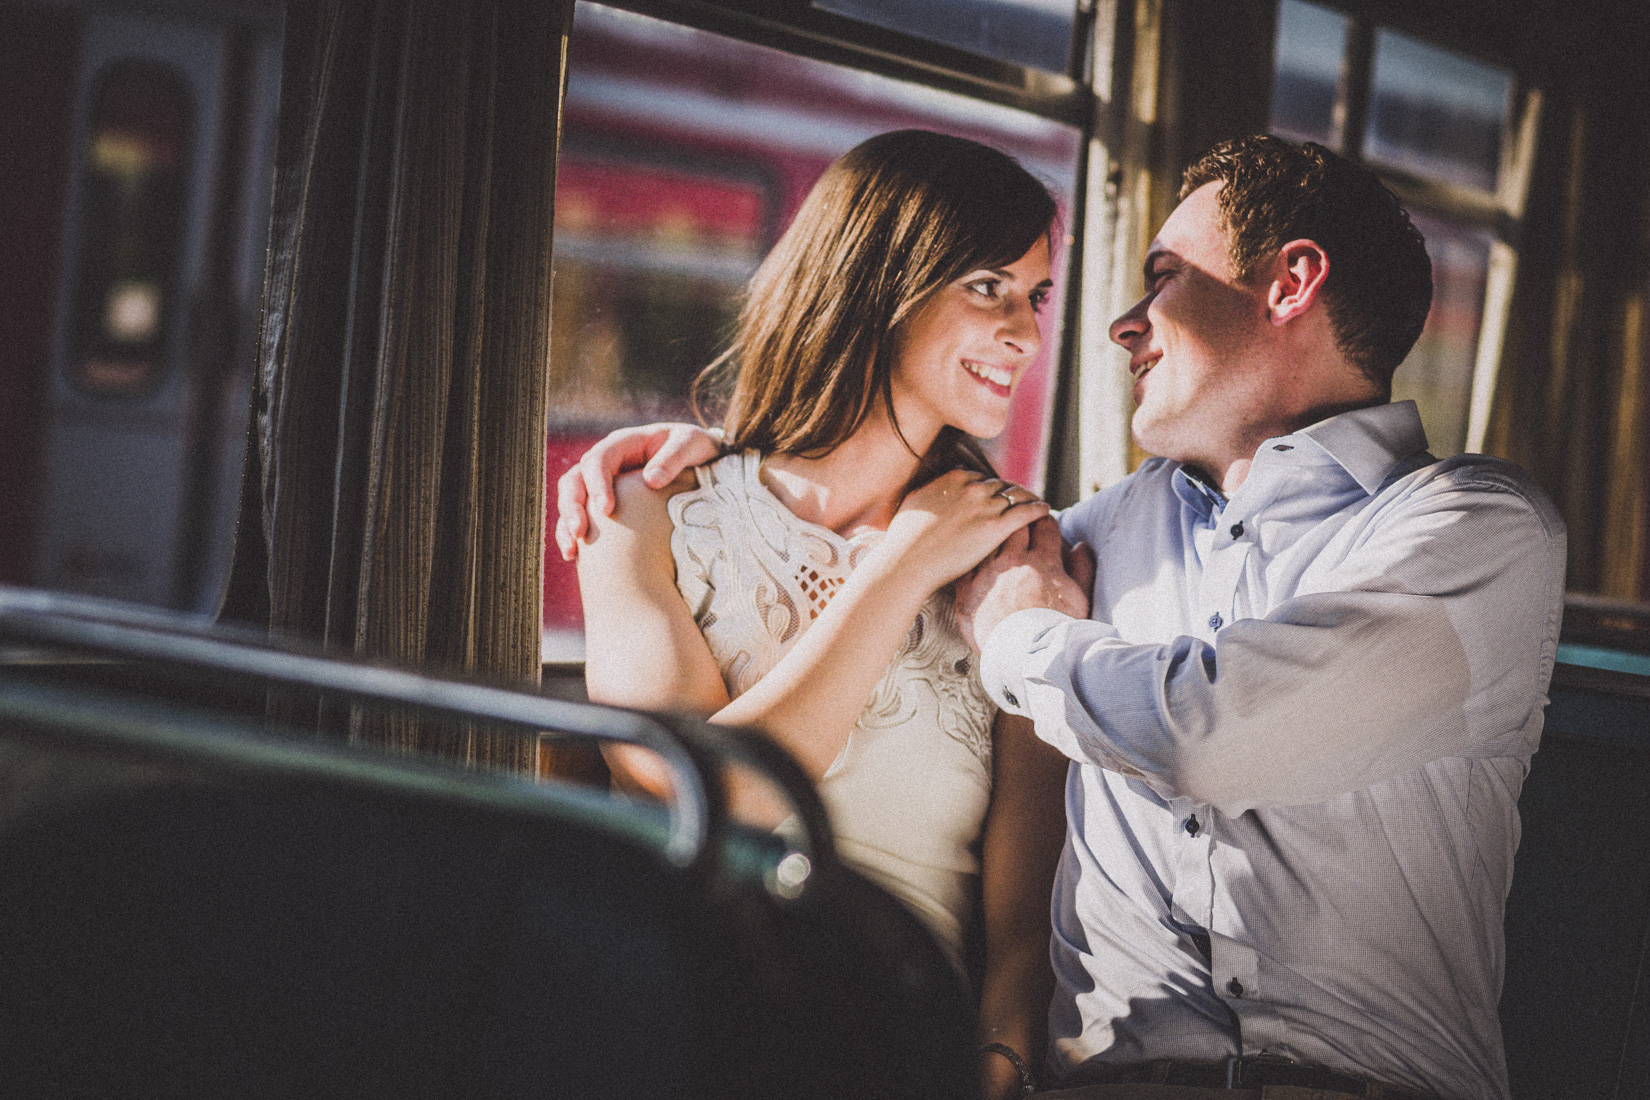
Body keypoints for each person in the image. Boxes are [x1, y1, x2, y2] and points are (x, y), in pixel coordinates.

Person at [557, 136, 1566, 1100]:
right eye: (997, 289)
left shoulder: (1475, 527)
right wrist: (714, 452)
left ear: (1290, 284)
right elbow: (858, 495)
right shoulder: (1071, 538)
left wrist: (1021, 635)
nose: (1114, 323)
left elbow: (1206, 733)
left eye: (1163, 274)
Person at [572, 129, 1073, 1100]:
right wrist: (902, 564)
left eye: (1035, 296)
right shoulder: (645, 507)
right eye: (987, 286)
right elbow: (719, 792)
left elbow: (1024, 931)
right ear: (883, 278)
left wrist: (994, 1069)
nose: (1023, 331)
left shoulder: (1020, 560)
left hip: (907, 1049)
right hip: (686, 1029)